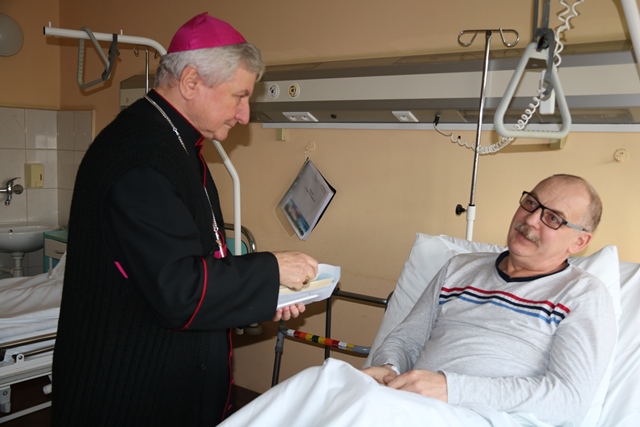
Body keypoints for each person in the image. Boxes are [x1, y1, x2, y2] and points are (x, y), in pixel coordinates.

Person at [52, 12, 318, 427]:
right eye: (239, 96)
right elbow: (178, 289)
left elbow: (192, 261)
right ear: (191, 81)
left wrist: (268, 291)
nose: (245, 115)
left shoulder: (174, 145)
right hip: (127, 392)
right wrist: (272, 269)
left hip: (165, 379)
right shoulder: (141, 158)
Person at [362, 174, 617, 426]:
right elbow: (406, 340)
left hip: (491, 418)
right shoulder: (458, 268)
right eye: (531, 203)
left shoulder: (583, 295)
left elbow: (567, 401)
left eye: (552, 218)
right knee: (337, 382)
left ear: (579, 241)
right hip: (409, 406)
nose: (530, 219)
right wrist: (389, 368)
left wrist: (451, 388)